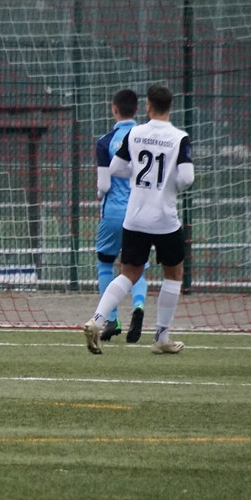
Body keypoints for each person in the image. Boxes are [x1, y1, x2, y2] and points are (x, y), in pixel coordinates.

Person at [83, 84, 193, 355]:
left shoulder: (134, 133)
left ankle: (96, 320)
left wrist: (138, 176)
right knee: (174, 273)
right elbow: (187, 178)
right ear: (170, 107)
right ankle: (161, 337)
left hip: (135, 217)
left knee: (128, 273)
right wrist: (167, 184)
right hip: (165, 218)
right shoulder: (179, 137)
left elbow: (117, 168)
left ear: (147, 106)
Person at [95, 89, 149, 344]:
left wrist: (100, 194)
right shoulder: (148, 137)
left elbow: (104, 185)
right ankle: (138, 306)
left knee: (106, 263)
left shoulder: (106, 141)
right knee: (136, 268)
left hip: (114, 212)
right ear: (137, 110)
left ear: (114, 108)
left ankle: (111, 318)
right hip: (141, 211)